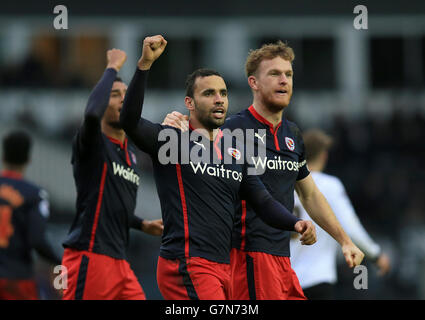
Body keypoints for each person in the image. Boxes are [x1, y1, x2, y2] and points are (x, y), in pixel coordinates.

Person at [120, 35, 317, 300]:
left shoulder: (234, 152)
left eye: (223, 93)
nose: (219, 99)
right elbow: (129, 120)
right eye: (209, 93)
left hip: (224, 268)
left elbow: (263, 202)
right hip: (187, 263)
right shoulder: (173, 141)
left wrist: (297, 224)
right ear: (189, 103)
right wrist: (144, 65)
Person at [163, 41, 364, 300]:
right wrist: (177, 124)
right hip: (248, 258)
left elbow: (310, 195)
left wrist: (344, 240)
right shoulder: (232, 129)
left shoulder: (292, 135)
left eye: (288, 74)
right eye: (274, 74)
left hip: (282, 259)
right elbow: (190, 158)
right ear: (254, 83)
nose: (284, 80)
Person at [61, 49, 163, 300]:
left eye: (125, 96)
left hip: (120, 262)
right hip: (90, 256)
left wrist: (141, 223)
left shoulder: (130, 155)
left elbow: (111, 203)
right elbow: (91, 115)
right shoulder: (93, 143)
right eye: (114, 95)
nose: (121, 100)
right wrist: (112, 67)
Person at [290, 128, 391, 299]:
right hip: (317, 278)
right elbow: (351, 228)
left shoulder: (286, 184)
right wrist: (376, 255)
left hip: (284, 280)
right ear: (324, 156)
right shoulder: (329, 185)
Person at [0, 130, 61, 299]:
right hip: (16, 278)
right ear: (28, 159)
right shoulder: (34, 195)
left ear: (3, 155)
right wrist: (60, 262)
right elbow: (37, 240)